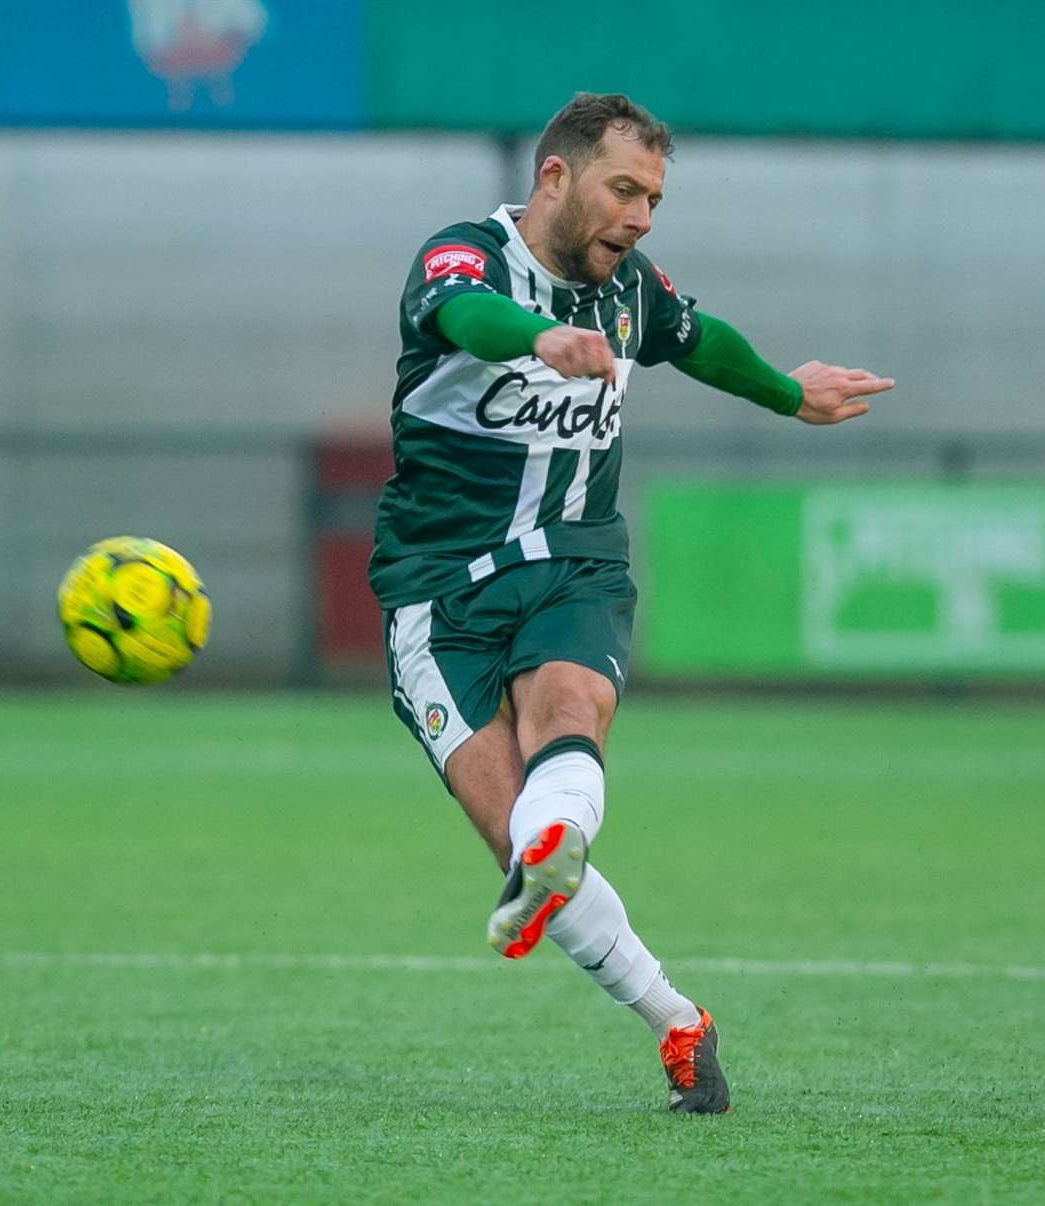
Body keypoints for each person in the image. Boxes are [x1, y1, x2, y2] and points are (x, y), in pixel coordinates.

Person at [369, 92, 894, 1114]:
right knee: (521, 847)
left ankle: (554, 830)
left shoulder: (629, 291)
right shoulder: (461, 260)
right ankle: (677, 1021)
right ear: (556, 178)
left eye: (653, 197)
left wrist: (792, 393)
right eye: (624, 190)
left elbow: (695, 338)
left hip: (573, 564)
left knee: (568, 710)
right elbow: (464, 315)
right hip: (436, 596)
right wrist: (535, 339)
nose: (642, 217)